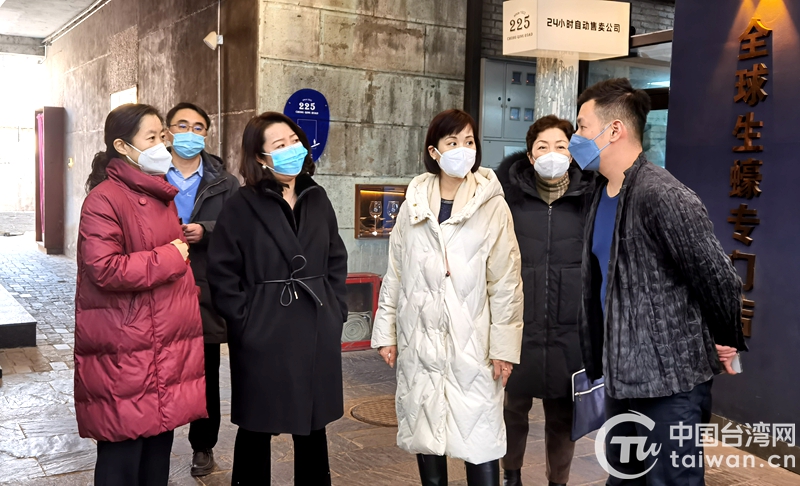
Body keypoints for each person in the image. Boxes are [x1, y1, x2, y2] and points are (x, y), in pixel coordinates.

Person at [573, 78, 746, 485]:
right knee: (624, 478)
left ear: (614, 130)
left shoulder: (663, 194)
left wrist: (726, 338)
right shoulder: (600, 192)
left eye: (582, 126)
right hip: (622, 376)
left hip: (670, 383)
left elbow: (718, 277)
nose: (575, 137)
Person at [372, 109, 524, 486]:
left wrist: (504, 348)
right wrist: (386, 333)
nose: (463, 149)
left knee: (479, 437)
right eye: (452, 142)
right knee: (426, 429)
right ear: (434, 151)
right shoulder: (414, 204)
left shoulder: (492, 205)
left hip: (473, 344)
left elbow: (506, 283)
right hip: (420, 341)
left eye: (469, 141)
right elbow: (396, 273)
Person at [206, 112, 348, 485]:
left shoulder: (317, 197)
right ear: (260, 157)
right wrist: (245, 321)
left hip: (315, 324)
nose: (291, 149)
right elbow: (222, 271)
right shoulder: (241, 204)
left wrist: (335, 310)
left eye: (294, 140)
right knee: (257, 426)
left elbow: (336, 257)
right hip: (263, 330)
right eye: (279, 145)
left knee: (313, 426)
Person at [74, 103, 207, 486]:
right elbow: (104, 267)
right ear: (122, 146)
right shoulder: (104, 199)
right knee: (123, 456)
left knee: (156, 454)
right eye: (151, 138)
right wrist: (172, 257)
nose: (162, 145)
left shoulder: (160, 194)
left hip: (162, 345)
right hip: (126, 349)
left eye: (162, 136)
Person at [496, 115, 595, 486]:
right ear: (530, 154)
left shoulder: (591, 198)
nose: (551, 153)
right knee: (513, 409)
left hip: (570, 327)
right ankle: (512, 475)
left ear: (572, 154)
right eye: (542, 146)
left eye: (560, 146)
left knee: (563, 417)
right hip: (519, 325)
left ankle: (558, 481)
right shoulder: (508, 200)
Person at [163, 101, 239, 477]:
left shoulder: (225, 182)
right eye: (182, 125)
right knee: (159, 369)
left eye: (198, 127)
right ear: (167, 131)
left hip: (205, 287)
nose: (190, 133)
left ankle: (203, 446)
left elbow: (239, 229)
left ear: (206, 134)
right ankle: (155, 441)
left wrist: (205, 231)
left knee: (206, 372)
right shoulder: (150, 170)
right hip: (159, 286)